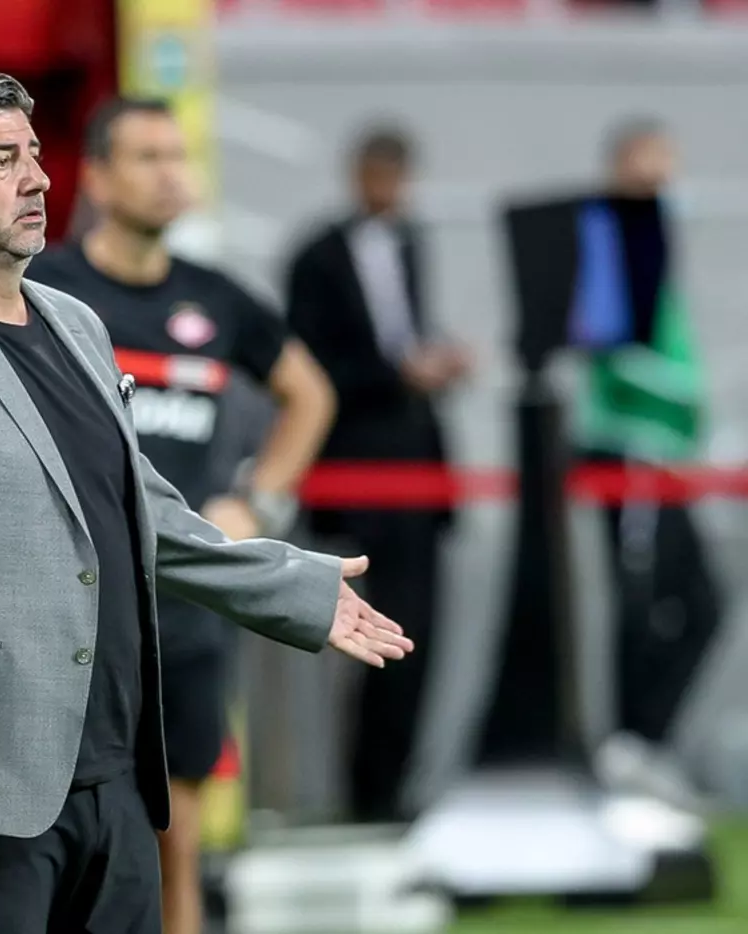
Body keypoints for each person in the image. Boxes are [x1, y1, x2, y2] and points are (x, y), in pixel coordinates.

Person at [0, 69, 412, 934]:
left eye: (34, 156)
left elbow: (142, 511)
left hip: (114, 775)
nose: (37, 180)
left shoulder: (75, 324)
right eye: (2, 161)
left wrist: (293, 588)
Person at [28, 97, 336, 934]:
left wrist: (256, 499)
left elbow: (309, 394)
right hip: (69, 606)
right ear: (97, 177)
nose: (171, 175)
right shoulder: (46, 290)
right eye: (147, 157)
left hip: (182, 610)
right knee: (55, 838)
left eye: (178, 156)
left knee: (176, 838)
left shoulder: (217, 299)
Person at [281, 126, 469, 824]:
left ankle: (394, 788)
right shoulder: (318, 256)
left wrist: (436, 362)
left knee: (417, 631)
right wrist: (397, 374)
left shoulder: (412, 244)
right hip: (355, 474)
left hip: (417, 469)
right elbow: (309, 367)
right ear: (358, 174)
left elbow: (405, 333)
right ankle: (358, 793)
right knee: (358, 637)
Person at [582, 119, 718, 806]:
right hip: (629, 449)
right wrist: (683, 388)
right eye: (650, 165)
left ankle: (643, 744)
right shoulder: (607, 235)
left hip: (665, 455)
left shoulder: (652, 238)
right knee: (643, 600)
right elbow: (602, 343)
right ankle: (627, 745)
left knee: (701, 600)